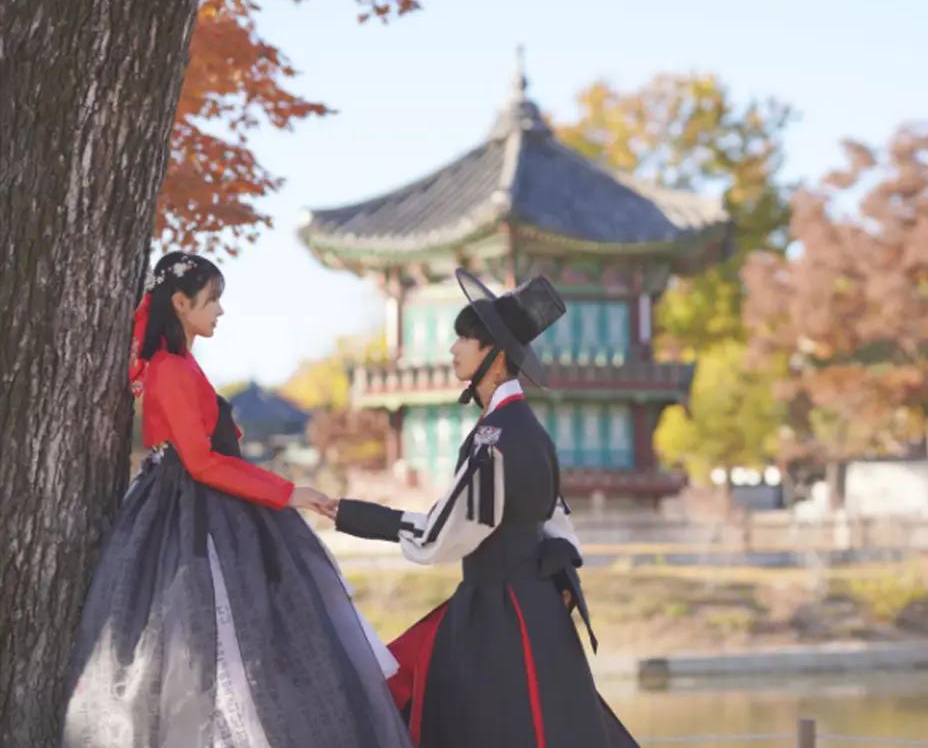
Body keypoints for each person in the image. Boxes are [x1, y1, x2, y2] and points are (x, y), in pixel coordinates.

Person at [62, 251, 412, 748]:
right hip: (193, 512)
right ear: (181, 304)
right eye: (212, 300)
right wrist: (288, 493)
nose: (220, 312)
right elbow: (201, 462)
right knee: (211, 640)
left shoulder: (180, 366)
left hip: (203, 503)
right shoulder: (171, 370)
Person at [335, 269, 638, 748]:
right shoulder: (532, 432)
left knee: (417, 701)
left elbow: (441, 536)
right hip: (536, 616)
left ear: (494, 358)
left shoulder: (493, 438)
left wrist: (349, 515)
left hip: (496, 617)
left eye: (464, 340)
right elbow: (556, 524)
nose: (453, 349)